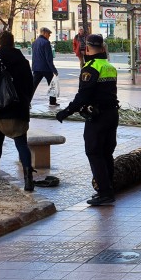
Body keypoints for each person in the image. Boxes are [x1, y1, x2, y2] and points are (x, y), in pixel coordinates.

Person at [55, 34, 120, 206]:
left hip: (98, 117)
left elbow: (83, 96)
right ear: (103, 48)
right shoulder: (109, 66)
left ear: (88, 49)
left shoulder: (90, 68)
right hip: (112, 114)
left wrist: (66, 112)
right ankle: (109, 188)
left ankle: (104, 192)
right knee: (106, 153)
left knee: (94, 152)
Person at [0, 30, 36, 192]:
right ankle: (28, 178)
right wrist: (25, 100)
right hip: (20, 106)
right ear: (13, 43)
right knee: (21, 143)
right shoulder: (23, 60)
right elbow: (30, 83)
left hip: (1, 105)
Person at [31, 27, 60, 106]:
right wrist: (54, 70)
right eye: (48, 34)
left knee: (33, 86)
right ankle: (52, 102)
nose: (49, 36)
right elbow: (49, 58)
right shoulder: (46, 43)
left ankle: (27, 102)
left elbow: (34, 56)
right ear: (44, 33)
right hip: (46, 68)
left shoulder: (34, 42)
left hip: (36, 68)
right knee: (52, 85)